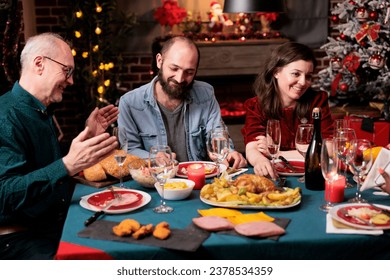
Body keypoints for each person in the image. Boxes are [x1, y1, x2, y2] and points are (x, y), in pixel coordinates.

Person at [0, 32, 119, 259]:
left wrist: (87, 136)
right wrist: (67, 165)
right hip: (17, 240)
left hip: (53, 225)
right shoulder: (5, 116)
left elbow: (42, 167)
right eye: (67, 71)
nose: (71, 81)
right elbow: (4, 195)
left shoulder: (39, 111)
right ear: (39, 64)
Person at [118, 36, 246, 168]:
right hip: (157, 180)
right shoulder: (129, 103)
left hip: (199, 179)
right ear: (159, 61)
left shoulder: (206, 94)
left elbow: (217, 133)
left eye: (189, 72)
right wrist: (153, 157)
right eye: (174, 69)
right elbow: (129, 150)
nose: (180, 79)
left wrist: (228, 152)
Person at [241, 42, 333, 179]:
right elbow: (252, 148)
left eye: (308, 76)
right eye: (296, 74)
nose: (303, 82)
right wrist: (260, 160)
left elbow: (328, 149)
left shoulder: (317, 101)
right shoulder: (256, 105)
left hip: (310, 175)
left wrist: (276, 153)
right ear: (276, 72)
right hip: (274, 175)